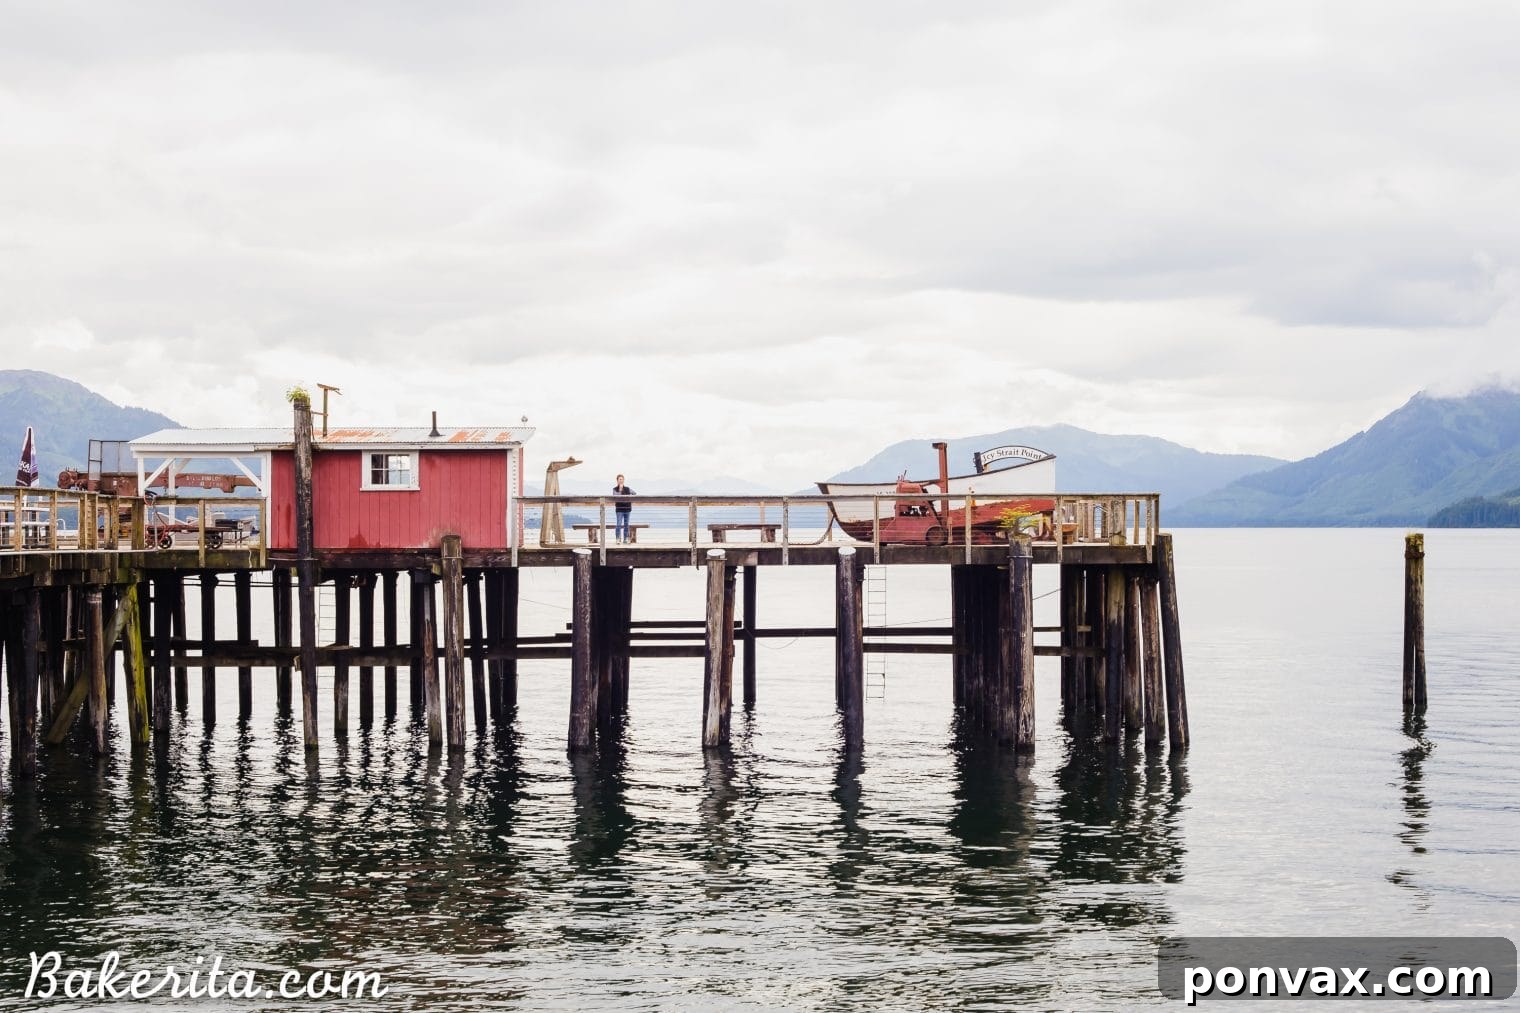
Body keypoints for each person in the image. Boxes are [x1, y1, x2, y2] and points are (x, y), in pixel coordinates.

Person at [613, 474, 635, 543]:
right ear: (617, 480)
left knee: (626, 524)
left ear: (624, 480)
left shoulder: (628, 488)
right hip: (619, 509)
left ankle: (625, 539)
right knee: (618, 524)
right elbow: (616, 496)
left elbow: (634, 493)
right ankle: (618, 538)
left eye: (622, 479)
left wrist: (629, 498)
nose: (621, 480)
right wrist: (621, 489)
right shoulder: (615, 489)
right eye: (619, 479)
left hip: (627, 509)